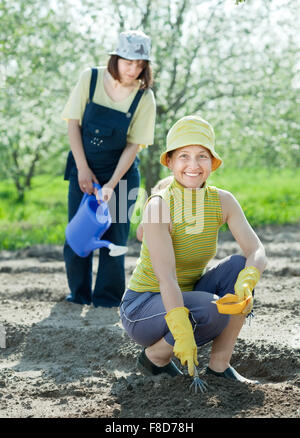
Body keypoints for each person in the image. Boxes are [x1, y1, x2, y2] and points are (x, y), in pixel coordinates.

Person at [120, 115, 267, 383]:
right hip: (143, 307)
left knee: (238, 266)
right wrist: (181, 328)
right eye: (184, 156)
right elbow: (166, 278)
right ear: (171, 162)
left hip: (187, 295)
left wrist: (249, 278)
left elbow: (256, 249)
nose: (193, 165)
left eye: (202, 156)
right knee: (210, 309)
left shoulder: (223, 201)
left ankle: (219, 367)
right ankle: (155, 357)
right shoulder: (159, 205)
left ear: (212, 162)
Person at [61, 30, 156, 308]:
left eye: (141, 64)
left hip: (122, 175)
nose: (134, 69)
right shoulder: (90, 79)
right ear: (115, 57)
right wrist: (82, 169)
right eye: (129, 61)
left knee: (115, 236)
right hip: (83, 169)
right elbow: (72, 124)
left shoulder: (144, 96)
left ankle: (107, 300)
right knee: (78, 233)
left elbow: (133, 146)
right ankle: (78, 295)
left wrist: (112, 185)